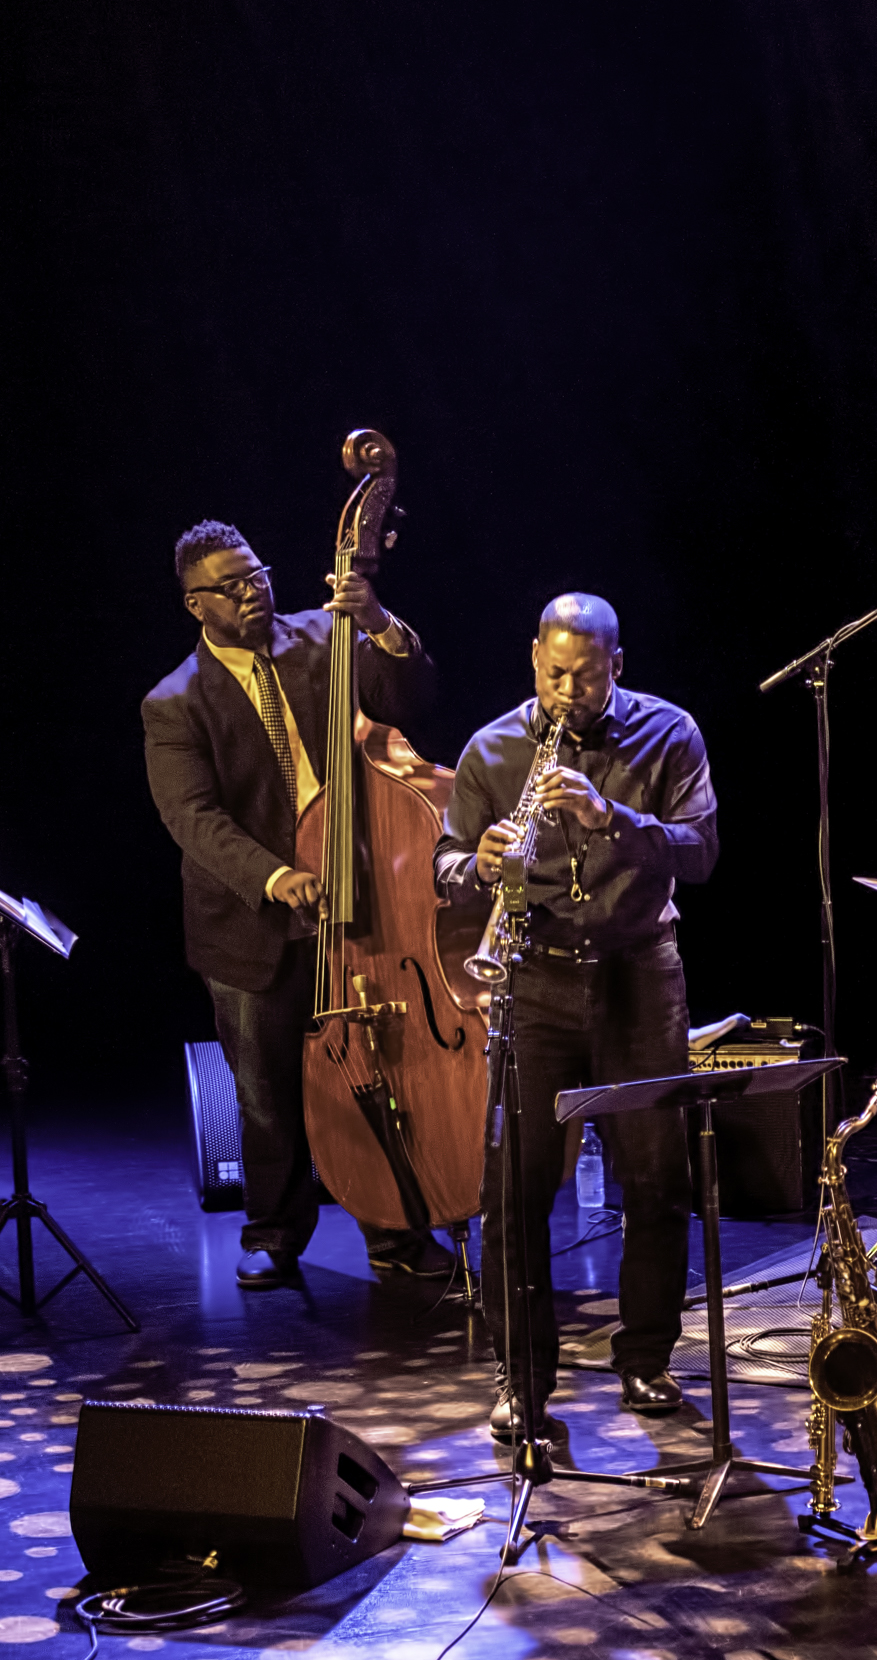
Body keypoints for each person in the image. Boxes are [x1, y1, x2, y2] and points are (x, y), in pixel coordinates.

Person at [143, 519, 452, 1289]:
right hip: (253, 919)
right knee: (268, 1091)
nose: (253, 592)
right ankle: (275, 1233)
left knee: (381, 1071)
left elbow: (415, 697)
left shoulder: (327, 637)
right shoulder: (174, 704)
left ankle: (397, 1234)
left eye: (257, 573)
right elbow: (194, 819)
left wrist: (378, 620)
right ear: (195, 605)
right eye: (232, 585)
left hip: (359, 894)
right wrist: (278, 876)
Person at [435, 593, 718, 1430]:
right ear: (534, 658)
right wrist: (477, 866)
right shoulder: (491, 749)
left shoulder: (670, 734)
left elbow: (701, 852)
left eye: (586, 677)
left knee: (656, 1180)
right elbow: (446, 862)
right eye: (555, 674)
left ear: (616, 667)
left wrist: (613, 819)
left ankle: (646, 1362)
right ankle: (521, 1380)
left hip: (640, 974)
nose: (569, 693)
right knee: (514, 1189)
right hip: (536, 979)